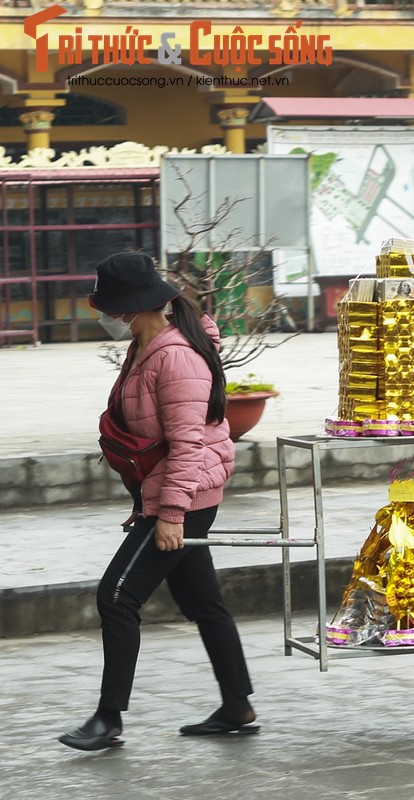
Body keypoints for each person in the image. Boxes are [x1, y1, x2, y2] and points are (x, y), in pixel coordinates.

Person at [59, 252, 256, 751]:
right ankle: (237, 705)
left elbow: (188, 444)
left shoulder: (175, 357)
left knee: (117, 596)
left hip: (185, 498)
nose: (106, 317)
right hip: (178, 493)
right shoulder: (145, 347)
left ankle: (108, 719)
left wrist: (169, 514)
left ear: (129, 306)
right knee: (202, 602)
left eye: (110, 307)